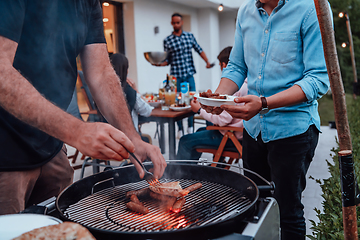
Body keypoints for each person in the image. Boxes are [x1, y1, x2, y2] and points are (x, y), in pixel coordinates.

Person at [0, 0, 166, 215]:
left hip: (50, 147)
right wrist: (76, 131)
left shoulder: (88, 3)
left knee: (59, 227)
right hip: (5, 154)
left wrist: (133, 137)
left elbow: (101, 73)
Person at [204, 0, 331, 239]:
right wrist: (219, 97)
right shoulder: (245, 11)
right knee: (255, 205)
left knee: (288, 212)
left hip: (293, 130)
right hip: (254, 130)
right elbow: (236, 66)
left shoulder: (309, 8)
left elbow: (317, 79)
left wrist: (264, 103)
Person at [176, 46, 247, 162]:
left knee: (185, 141)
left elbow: (224, 120)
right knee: (200, 131)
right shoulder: (246, 83)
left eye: (220, 66)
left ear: (224, 65)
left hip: (231, 136)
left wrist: (200, 110)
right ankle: (217, 165)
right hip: (239, 135)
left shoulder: (235, 88)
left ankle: (182, 175)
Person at [154, 12, 212, 138]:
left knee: (192, 101)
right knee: (177, 103)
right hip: (175, 77)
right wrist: (158, 64)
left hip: (189, 75)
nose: (176, 24)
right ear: (171, 23)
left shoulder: (189, 36)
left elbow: (199, 49)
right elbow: (167, 60)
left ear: (181, 22)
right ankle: (180, 129)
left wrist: (207, 62)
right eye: (174, 22)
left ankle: (190, 127)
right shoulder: (168, 40)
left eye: (178, 22)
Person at [110, 53, 154, 143]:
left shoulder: (102, 92)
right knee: (147, 141)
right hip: (129, 141)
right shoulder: (130, 93)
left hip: (109, 140)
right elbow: (148, 111)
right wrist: (136, 89)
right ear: (126, 71)